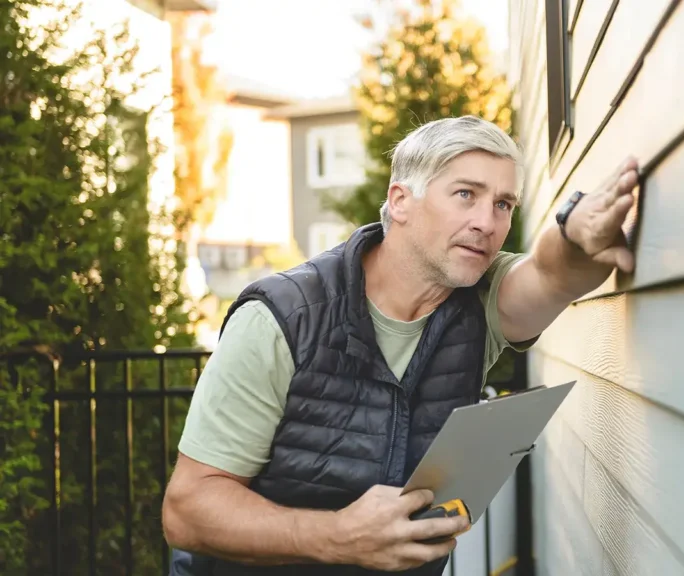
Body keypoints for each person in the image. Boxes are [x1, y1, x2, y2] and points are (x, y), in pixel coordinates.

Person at [161, 115, 639, 575]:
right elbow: (188, 510)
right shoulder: (282, 318)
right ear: (401, 200)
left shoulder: (480, 300)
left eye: (503, 204)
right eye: (465, 194)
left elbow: (553, 272)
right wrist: (335, 535)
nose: (487, 223)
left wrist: (575, 232)